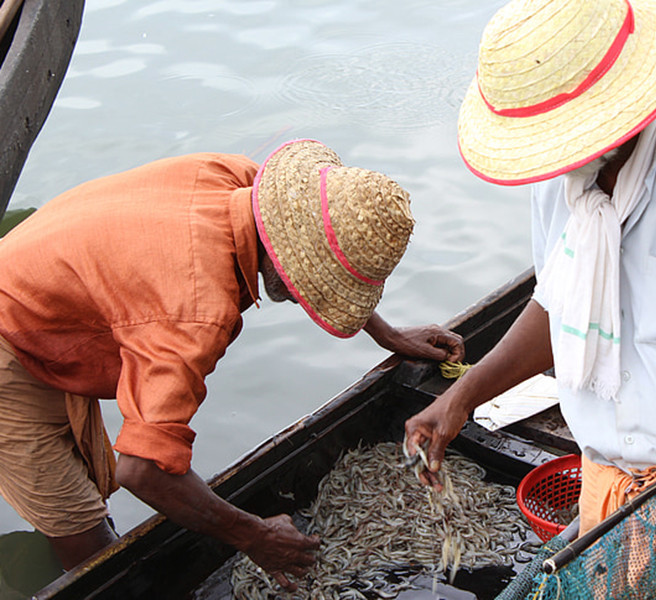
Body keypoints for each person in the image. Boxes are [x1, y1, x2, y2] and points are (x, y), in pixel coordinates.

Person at [404, 0, 656, 597]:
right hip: (608, 490)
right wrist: (465, 393)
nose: (558, 155)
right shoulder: (559, 178)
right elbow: (557, 303)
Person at [0, 138, 464, 588]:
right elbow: (141, 470)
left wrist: (386, 333)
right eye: (317, 287)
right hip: (10, 342)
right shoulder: (197, 309)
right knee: (78, 522)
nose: (311, 298)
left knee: (89, 480)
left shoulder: (236, 179)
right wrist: (254, 535)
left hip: (45, 287)